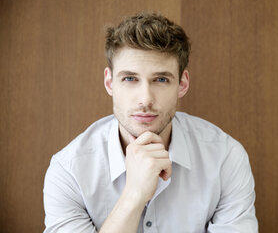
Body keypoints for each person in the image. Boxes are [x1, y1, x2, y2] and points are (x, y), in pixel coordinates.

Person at [43, 12, 258, 233]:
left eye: (161, 79)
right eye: (129, 78)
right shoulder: (69, 171)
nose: (145, 99)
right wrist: (133, 195)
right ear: (109, 82)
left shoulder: (225, 158)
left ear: (182, 84)